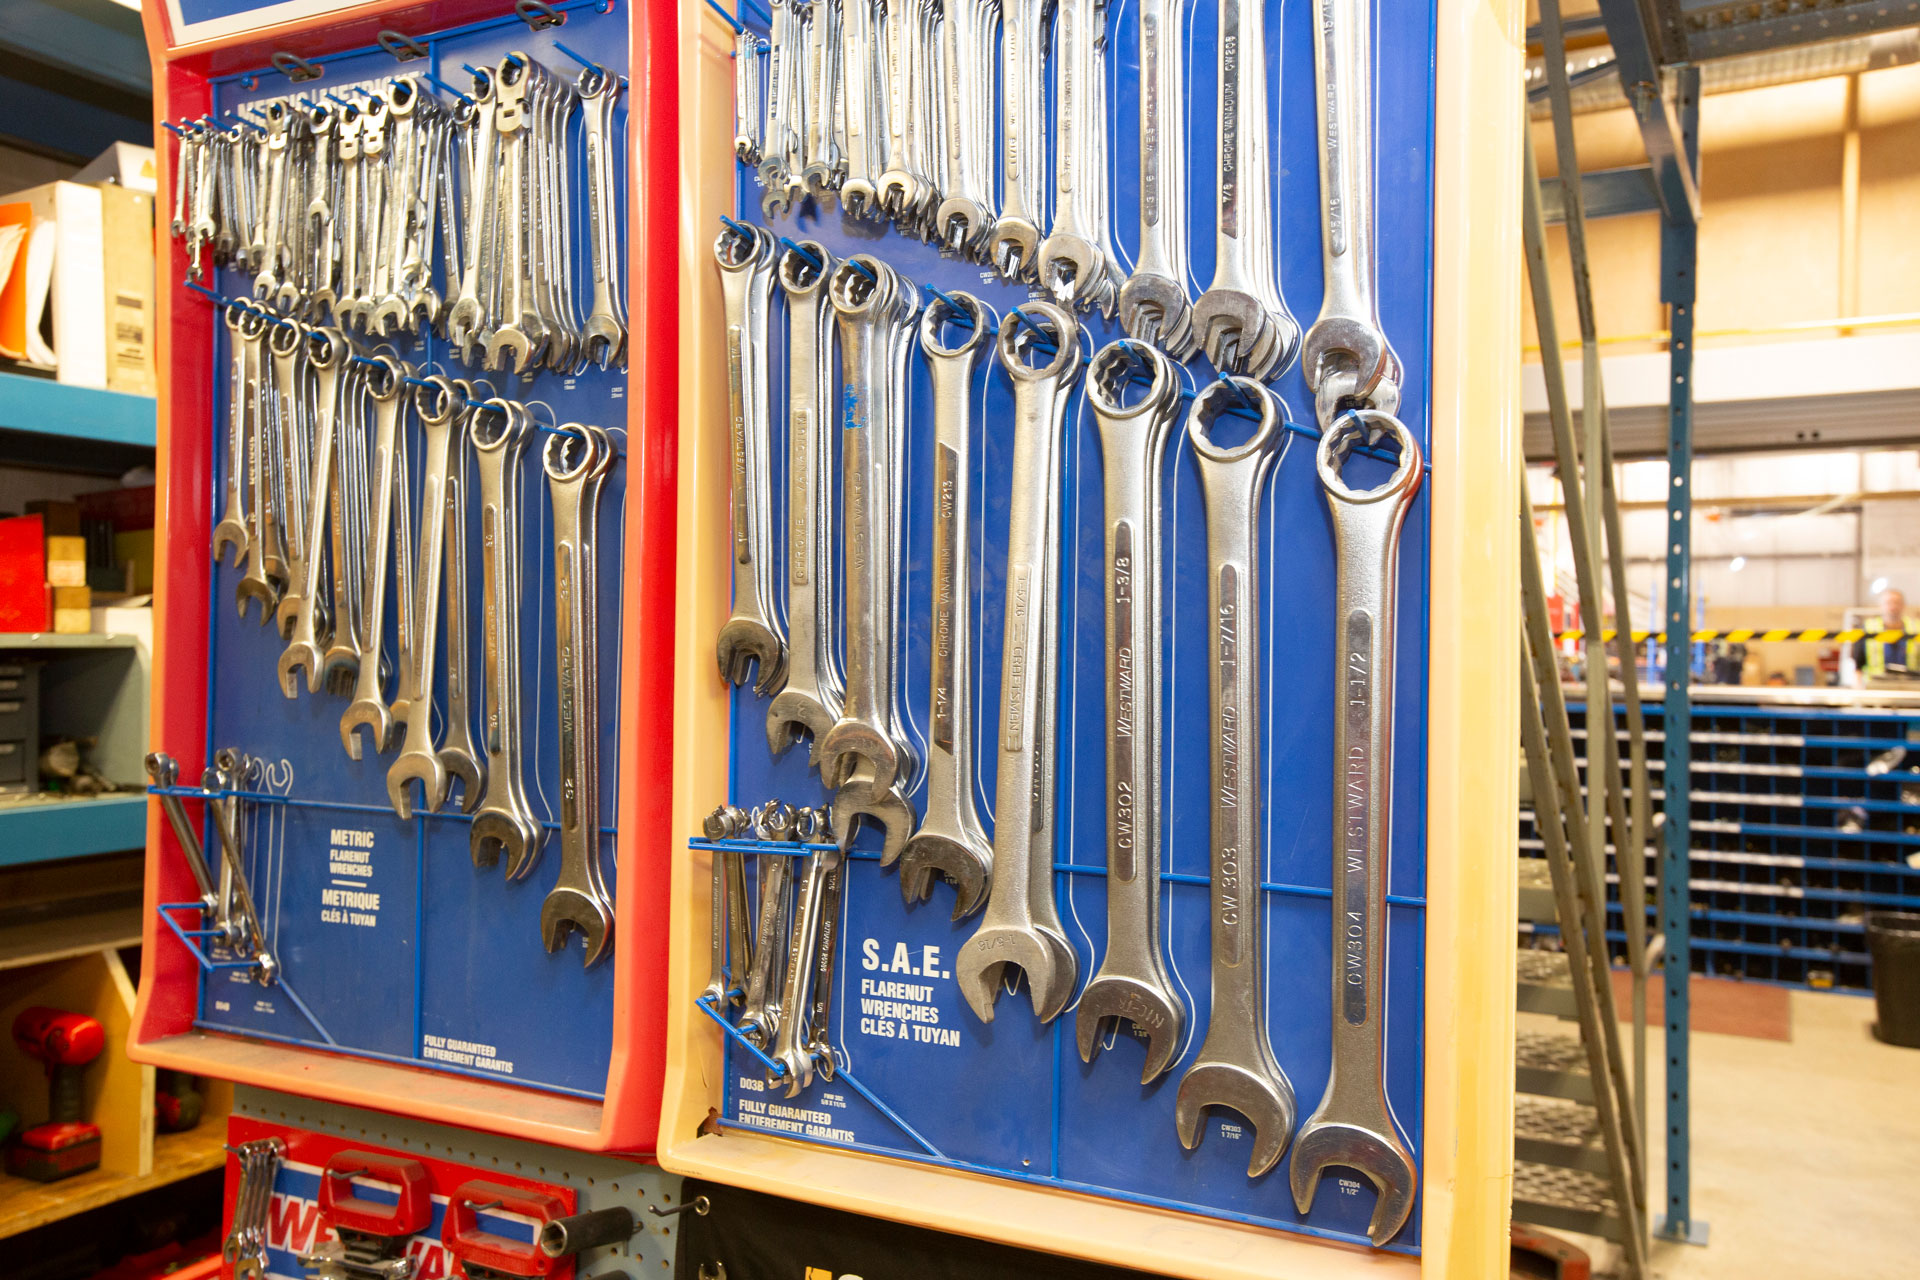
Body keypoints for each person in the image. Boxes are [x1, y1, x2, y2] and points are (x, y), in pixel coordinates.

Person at [1852, 587, 1920, 684]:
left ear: (1903, 605)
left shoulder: (1916, 628)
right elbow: (1858, 664)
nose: (1893, 607)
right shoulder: (1869, 628)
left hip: (1911, 686)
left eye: (1897, 603)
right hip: (1876, 687)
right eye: (1889, 603)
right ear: (1881, 605)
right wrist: (1858, 687)